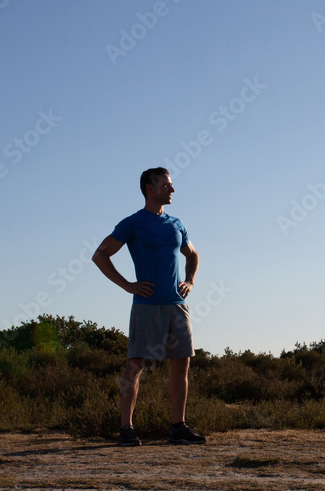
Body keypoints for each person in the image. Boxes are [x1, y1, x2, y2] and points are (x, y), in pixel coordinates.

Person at [92, 167, 206, 446]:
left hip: (176, 305)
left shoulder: (177, 224)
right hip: (146, 305)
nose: (172, 189)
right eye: (166, 185)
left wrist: (189, 280)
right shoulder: (133, 223)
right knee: (135, 364)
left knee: (181, 363)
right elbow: (100, 255)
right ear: (149, 188)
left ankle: (178, 427)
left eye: (171, 184)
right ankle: (126, 429)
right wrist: (127, 285)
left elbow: (193, 255)